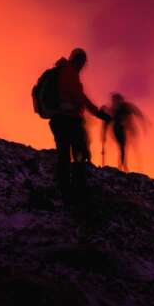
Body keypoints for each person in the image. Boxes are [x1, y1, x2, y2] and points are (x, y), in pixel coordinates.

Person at [45, 48, 110, 204]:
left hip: (59, 120)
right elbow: (80, 98)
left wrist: (96, 113)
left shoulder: (65, 71)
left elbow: (80, 98)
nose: (82, 65)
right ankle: (76, 190)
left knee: (64, 154)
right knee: (78, 153)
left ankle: (66, 188)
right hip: (69, 120)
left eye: (83, 62)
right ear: (76, 60)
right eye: (81, 61)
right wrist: (98, 113)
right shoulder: (69, 72)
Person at [102, 92, 147, 171]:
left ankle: (123, 165)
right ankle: (123, 166)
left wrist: (143, 122)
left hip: (123, 128)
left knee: (124, 147)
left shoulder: (122, 107)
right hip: (119, 129)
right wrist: (104, 135)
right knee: (123, 147)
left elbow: (136, 112)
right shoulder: (116, 109)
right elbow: (107, 121)